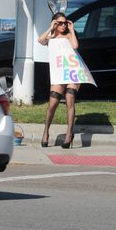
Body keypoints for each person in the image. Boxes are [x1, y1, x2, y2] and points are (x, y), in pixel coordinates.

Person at [38, 12, 80, 149]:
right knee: (53, 103)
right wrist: (51, 28)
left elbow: (75, 46)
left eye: (65, 23)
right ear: (55, 23)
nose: (63, 25)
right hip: (59, 73)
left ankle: (69, 134)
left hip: (72, 71)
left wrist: (72, 30)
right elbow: (40, 40)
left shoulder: (68, 35)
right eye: (60, 23)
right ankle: (46, 132)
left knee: (70, 99)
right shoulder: (51, 37)